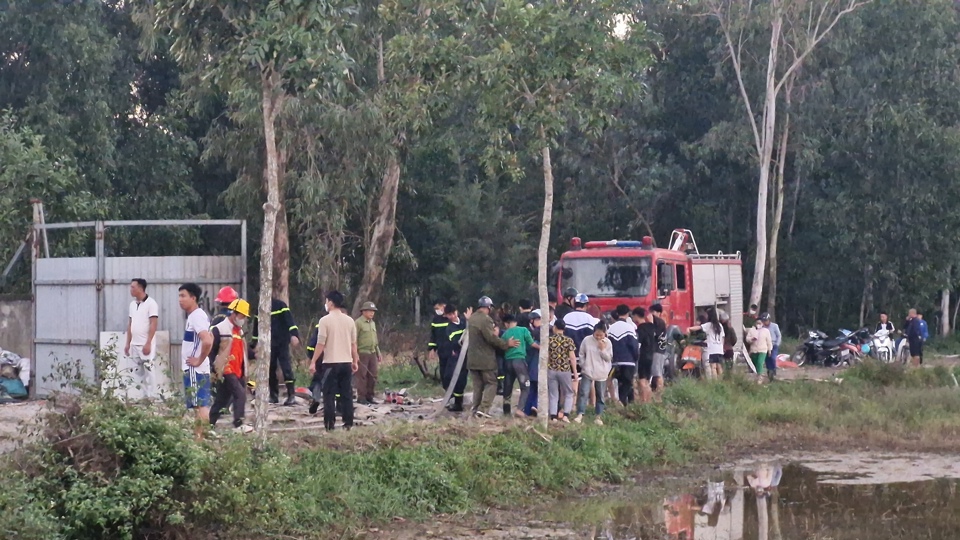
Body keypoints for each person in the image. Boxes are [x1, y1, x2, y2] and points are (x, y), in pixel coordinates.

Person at [308, 291, 360, 431]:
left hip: (330, 363)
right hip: (346, 363)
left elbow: (321, 343)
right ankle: (348, 423)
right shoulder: (349, 321)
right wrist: (355, 361)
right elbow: (353, 344)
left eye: (326, 301)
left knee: (329, 395)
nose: (326, 304)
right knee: (346, 394)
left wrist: (313, 361)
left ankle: (330, 424)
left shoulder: (325, 321)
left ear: (330, 303)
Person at [466, 296, 519, 418]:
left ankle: (475, 410)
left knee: (477, 386)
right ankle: (483, 409)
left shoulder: (472, 318)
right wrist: (506, 344)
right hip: (485, 360)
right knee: (492, 383)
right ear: (488, 308)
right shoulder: (486, 320)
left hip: (472, 359)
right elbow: (491, 338)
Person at [209, 298, 252, 433]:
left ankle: (209, 425)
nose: (243, 319)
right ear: (233, 313)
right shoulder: (219, 329)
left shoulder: (238, 331)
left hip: (238, 370)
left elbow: (242, 351)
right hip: (226, 370)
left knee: (221, 400)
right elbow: (212, 351)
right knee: (240, 394)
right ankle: (238, 424)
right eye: (242, 315)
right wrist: (213, 369)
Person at [251, 298, 301, 405]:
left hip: (282, 342)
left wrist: (294, 335)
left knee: (286, 367)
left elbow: (290, 321)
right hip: (268, 344)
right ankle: (273, 395)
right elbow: (256, 328)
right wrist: (254, 344)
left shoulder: (280, 305)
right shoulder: (260, 309)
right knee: (270, 369)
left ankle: (291, 394)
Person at [179, 283, 213, 438]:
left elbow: (207, 340)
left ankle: (199, 440)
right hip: (199, 369)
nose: (180, 300)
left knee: (200, 406)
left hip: (195, 370)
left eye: (183, 296)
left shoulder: (196, 316)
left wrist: (199, 360)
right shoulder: (197, 316)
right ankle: (201, 438)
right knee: (201, 405)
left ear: (193, 298)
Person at [124, 278, 159, 393]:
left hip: (145, 343)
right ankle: (139, 396)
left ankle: (151, 396)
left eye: (133, 287)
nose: (131, 290)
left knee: (149, 370)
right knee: (136, 372)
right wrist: (127, 343)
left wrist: (148, 342)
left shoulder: (151, 303)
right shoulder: (132, 305)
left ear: (140, 288)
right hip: (134, 343)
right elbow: (130, 324)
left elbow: (153, 324)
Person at [500, 314, 538, 417]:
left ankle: (506, 411)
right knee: (526, 386)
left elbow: (502, 347)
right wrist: (542, 347)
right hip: (519, 362)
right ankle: (520, 409)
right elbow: (532, 344)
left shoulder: (505, 334)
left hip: (508, 362)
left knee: (508, 386)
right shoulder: (523, 330)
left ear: (506, 324)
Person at [575, 322, 612, 425]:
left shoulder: (608, 343)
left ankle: (598, 416)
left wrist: (602, 349)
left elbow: (608, 358)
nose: (599, 337)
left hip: (602, 372)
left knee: (600, 395)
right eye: (597, 335)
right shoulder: (587, 340)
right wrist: (583, 365)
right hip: (588, 370)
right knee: (584, 392)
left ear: (605, 334)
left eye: (601, 335)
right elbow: (581, 353)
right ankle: (580, 414)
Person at [438, 304, 470, 412]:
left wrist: (469, 320)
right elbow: (456, 342)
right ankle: (451, 397)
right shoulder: (449, 328)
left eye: (453, 313)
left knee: (462, 379)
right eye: (449, 315)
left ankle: (458, 403)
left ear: (456, 312)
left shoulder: (465, 321)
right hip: (456, 356)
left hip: (467, 356)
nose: (452, 316)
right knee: (448, 376)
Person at [547, 320, 578, 422]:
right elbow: (572, 358)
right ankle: (565, 415)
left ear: (555, 327)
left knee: (553, 394)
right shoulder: (568, 340)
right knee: (569, 393)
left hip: (552, 369)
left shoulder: (549, 340)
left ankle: (553, 416)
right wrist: (575, 373)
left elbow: (546, 356)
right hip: (565, 370)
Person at [609, 305, 639, 406]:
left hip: (615, 362)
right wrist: (636, 358)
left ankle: (630, 403)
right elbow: (634, 346)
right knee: (627, 383)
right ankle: (622, 403)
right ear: (627, 314)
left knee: (619, 383)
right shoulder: (630, 328)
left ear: (617, 313)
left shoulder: (611, 328)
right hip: (628, 361)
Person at [355, 301, 381, 405]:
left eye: (373, 311)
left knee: (373, 375)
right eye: (370, 311)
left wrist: (378, 352)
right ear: (363, 312)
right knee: (362, 375)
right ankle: (361, 397)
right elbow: (354, 339)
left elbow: (374, 339)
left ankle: (370, 396)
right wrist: (355, 353)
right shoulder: (358, 323)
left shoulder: (372, 323)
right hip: (362, 352)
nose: (372, 313)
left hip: (372, 352)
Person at [687, 307, 725, 379]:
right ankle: (721, 381)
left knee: (713, 367)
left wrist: (689, 328)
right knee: (719, 366)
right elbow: (723, 337)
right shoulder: (720, 326)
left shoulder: (709, 325)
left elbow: (699, 327)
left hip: (712, 349)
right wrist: (722, 347)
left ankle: (715, 383)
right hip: (720, 348)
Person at [635, 308, 658, 403]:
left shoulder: (640, 329)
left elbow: (638, 345)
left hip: (643, 356)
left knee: (642, 381)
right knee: (647, 381)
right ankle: (649, 401)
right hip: (651, 355)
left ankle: (644, 402)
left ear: (636, 316)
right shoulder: (651, 327)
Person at [523, 310, 543, 416]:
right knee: (534, 388)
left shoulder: (532, 333)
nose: (540, 321)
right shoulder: (531, 334)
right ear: (532, 321)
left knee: (532, 389)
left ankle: (528, 409)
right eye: (538, 319)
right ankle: (533, 406)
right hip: (533, 366)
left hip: (532, 366)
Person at [649, 304, 668, 395]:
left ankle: (660, 393)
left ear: (658, 313)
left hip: (658, 350)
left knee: (657, 373)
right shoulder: (660, 322)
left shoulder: (659, 322)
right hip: (660, 350)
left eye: (653, 312)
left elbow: (654, 335)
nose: (651, 314)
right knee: (656, 372)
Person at [428, 299, 449, 367]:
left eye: (438, 308)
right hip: (441, 350)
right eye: (435, 309)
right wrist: (432, 348)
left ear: (444, 306)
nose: (437, 310)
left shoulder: (451, 317)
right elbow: (433, 335)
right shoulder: (436, 319)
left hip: (452, 350)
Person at [761, 313, 781, 382]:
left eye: (766, 320)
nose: (765, 322)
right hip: (765, 345)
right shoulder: (762, 327)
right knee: (767, 360)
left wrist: (777, 344)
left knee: (772, 358)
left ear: (769, 320)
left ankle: (773, 369)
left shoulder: (774, 326)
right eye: (763, 321)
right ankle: (769, 372)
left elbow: (779, 335)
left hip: (773, 344)